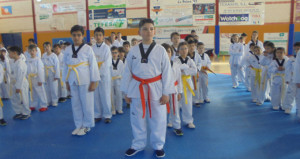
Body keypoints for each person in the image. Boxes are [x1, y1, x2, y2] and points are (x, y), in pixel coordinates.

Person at [121, 18, 174, 158]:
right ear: (139, 32)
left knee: (158, 117)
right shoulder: (133, 51)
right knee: (137, 117)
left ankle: (158, 145)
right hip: (137, 87)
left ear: (154, 31)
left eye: (151, 28)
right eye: (145, 29)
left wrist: (166, 93)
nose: (148, 31)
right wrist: (125, 91)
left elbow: (167, 72)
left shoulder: (161, 50)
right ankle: (138, 144)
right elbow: (127, 71)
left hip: (156, 87)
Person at [62, 25, 100, 136]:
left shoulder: (88, 49)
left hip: (85, 80)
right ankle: (78, 125)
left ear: (82, 36)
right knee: (75, 104)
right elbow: (65, 66)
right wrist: (66, 81)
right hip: (72, 78)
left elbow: (93, 65)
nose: (76, 37)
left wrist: (94, 81)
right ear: (71, 36)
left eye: (79, 35)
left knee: (87, 103)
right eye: (74, 35)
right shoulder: (68, 49)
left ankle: (87, 125)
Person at [174, 41, 197, 129]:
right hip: (178, 83)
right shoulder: (176, 59)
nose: (184, 50)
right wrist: (185, 68)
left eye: (185, 48)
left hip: (187, 83)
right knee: (176, 104)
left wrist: (185, 69)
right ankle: (174, 121)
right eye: (182, 49)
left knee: (188, 103)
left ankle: (189, 121)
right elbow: (176, 69)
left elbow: (194, 71)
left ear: (188, 50)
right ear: (178, 50)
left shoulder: (190, 60)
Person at [162, 43, 183, 136]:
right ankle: (161, 128)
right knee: (161, 110)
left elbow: (179, 79)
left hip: (174, 89)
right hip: (162, 91)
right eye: (164, 51)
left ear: (171, 53)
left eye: (169, 51)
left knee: (175, 109)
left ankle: (177, 127)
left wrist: (179, 92)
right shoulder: (158, 65)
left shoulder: (176, 65)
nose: (167, 53)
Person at [92, 27, 113, 123]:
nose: (98, 37)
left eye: (100, 35)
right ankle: (97, 114)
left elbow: (107, 62)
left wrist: (99, 72)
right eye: (96, 35)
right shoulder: (91, 48)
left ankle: (107, 115)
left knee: (105, 94)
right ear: (94, 36)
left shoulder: (107, 48)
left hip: (104, 74)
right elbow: (90, 62)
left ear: (103, 36)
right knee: (95, 95)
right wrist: (94, 73)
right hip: (94, 73)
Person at [8, 46, 31, 120]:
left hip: (21, 83)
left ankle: (26, 112)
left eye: (9, 53)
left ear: (15, 53)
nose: (8, 54)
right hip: (13, 82)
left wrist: (18, 87)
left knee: (23, 98)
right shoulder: (12, 61)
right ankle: (18, 112)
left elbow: (20, 76)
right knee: (15, 98)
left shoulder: (21, 63)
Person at [26, 44, 48, 112]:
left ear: (36, 51)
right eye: (30, 51)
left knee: (41, 92)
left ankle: (44, 105)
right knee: (32, 93)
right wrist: (27, 78)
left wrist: (40, 80)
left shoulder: (38, 60)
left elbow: (41, 70)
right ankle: (33, 105)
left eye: (33, 50)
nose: (32, 52)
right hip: (30, 79)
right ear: (28, 52)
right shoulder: (27, 60)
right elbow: (26, 70)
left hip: (37, 78)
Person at [283, 42, 300, 114]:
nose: (296, 51)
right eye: (295, 49)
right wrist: (287, 79)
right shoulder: (291, 59)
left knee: (299, 96)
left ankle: (298, 109)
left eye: (298, 49)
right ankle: (288, 107)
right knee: (290, 93)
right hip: (292, 79)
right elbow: (287, 70)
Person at [42, 42, 60, 107]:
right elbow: (42, 65)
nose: (46, 48)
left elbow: (57, 66)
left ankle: (54, 101)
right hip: (46, 72)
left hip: (53, 72)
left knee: (54, 88)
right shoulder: (43, 55)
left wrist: (57, 75)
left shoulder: (54, 56)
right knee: (47, 88)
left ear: (50, 47)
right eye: (45, 47)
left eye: (47, 46)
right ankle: (48, 101)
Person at [186, 39, 202, 105]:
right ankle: (189, 100)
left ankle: (196, 100)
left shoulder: (197, 55)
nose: (191, 47)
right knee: (188, 87)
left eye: (193, 46)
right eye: (189, 46)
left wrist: (197, 69)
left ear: (195, 46)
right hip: (187, 74)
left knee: (196, 87)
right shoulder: (185, 54)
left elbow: (199, 63)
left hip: (195, 74)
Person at [111, 46, 124, 115]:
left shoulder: (121, 62)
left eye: (115, 52)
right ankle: (113, 109)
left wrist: (121, 78)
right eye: (112, 53)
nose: (114, 54)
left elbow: (123, 72)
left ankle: (119, 108)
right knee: (111, 95)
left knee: (119, 95)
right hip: (111, 80)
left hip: (118, 80)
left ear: (118, 53)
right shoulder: (109, 61)